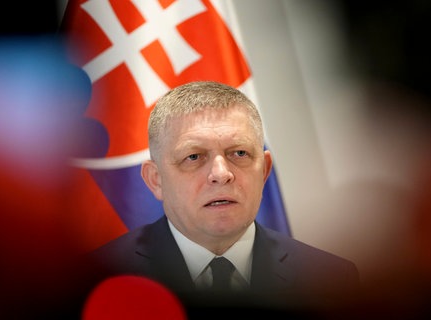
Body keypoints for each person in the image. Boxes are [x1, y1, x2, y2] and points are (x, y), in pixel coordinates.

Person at [85, 81, 360, 318]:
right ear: (155, 179)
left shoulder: (331, 279)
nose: (221, 174)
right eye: (193, 157)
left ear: (263, 170)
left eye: (239, 153)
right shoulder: (96, 279)